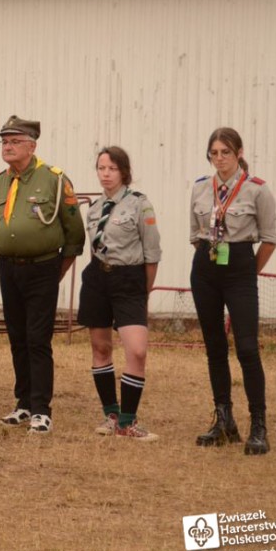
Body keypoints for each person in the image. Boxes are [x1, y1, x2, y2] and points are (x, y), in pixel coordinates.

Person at [0, 115, 84, 434]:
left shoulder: (55, 180)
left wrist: (57, 271)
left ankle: (42, 410)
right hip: (9, 266)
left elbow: (74, 233)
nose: (8, 147)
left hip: (43, 266)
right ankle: (24, 404)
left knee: (37, 338)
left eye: (14, 141)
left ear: (32, 145)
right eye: (4, 141)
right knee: (17, 337)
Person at [190, 127, 276, 456]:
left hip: (240, 268)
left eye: (225, 152)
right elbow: (195, 234)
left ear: (239, 153)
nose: (219, 159)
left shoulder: (257, 190)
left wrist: (248, 272)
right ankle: (224, 420)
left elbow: (269, 238)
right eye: (214, 153)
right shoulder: (201, 187)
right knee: (215, 347)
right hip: (205, 267)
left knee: (247, 349)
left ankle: (258, 424)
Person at [78, 147, 161, 441]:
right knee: (100, 348)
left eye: (112, 168)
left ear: (124, 172)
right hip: (98, 278)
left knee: (137, 351)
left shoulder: (140, 205)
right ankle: (112, 416)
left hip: (130, 280)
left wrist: (144, 291)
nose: (106, 174)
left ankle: (129, 420)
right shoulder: (93, 209)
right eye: (101, 168)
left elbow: (152, 254)